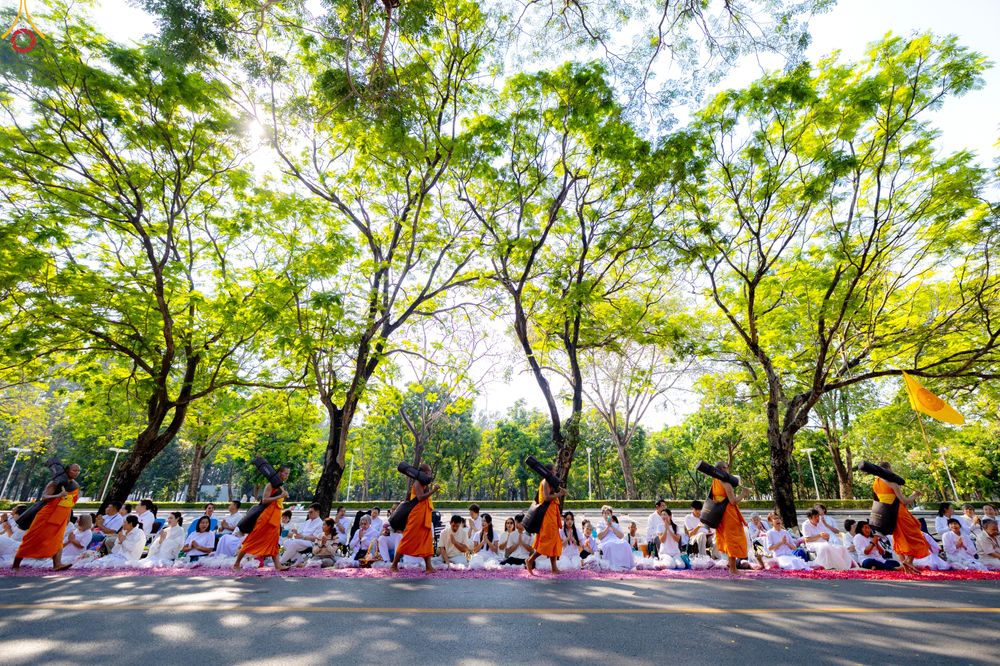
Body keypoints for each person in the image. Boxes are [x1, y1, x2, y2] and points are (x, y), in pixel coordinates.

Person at [12, 463, 82, 571]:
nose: (76, 473)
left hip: (62, 516)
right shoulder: (55, 482)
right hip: (46, 515)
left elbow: (69, 504)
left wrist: (67, 517)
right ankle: (16, 564)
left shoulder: (75, 485)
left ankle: (57, 564)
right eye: (74, 470)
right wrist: (58, 495)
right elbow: (44, 497)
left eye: (78, 471)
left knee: (58, 540)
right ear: (67, 470)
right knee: (32, 538)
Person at [233, 465, 291, 572]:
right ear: (280, 473)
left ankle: (278, 566)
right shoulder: (270, 485)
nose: (287, 475)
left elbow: (278, 502)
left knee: (274, 542)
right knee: (252, 540)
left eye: (288, 474)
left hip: (275, 519)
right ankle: (236, 564)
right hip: (265, 518)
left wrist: (283, 495)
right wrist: (280, 496)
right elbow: (264, 500)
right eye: (286, 473)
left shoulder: (280, 486)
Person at [873, 462, 927, 574]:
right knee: (916, 536)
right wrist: (915, 494)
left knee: (900, 538)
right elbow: (905, 501)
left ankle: (906, 566)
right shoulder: (893, 483)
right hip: (899, 512)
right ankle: (908, 562)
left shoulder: (876, 483)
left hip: (887, 514)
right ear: (888, 469)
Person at [390, 463, 441, 573]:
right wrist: (433, 490)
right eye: (428, 472)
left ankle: (429, 567)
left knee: (426, 541)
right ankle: (394, 565)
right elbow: (420, 497)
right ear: (423, 473)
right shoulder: (417, 483)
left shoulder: (424, 483)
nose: (430, 474)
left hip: (424, 516)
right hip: (416, 516)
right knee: (407, 539)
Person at [710, 461, 750, 574]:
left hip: (720, 514)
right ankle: (733, 568)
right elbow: (733, 501)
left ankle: (730, 564)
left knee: (727, 539)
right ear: (722, 469)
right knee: (733, 539)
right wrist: (743, 493)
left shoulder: (715, 481)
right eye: (727, 467)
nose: (728, 469)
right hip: (728, 514)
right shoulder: (725, 482)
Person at [525, 469, 566, 574]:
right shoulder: (545, 481)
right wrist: (559, 494)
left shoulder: (549, 481)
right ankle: (530, 560)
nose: (555, 472)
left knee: (554, 542)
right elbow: (547, 497)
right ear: (548, 472)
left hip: (552, 516)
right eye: (553, 471)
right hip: (547, 517)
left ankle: (554, 568)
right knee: (546, 543)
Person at [596, 506, 634, 570]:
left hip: (616, 540)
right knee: (611, 545)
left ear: (611, 515)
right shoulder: (600, 524)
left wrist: (612, 526)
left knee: (625, 544)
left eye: (608, 513)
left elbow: (621, 536)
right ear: (602, 515)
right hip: (606, 541)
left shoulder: (616, 525)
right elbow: (600, 536)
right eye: (604, 513)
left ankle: (624, 565)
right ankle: (613, 565)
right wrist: (607, 527)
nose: (606, 515)